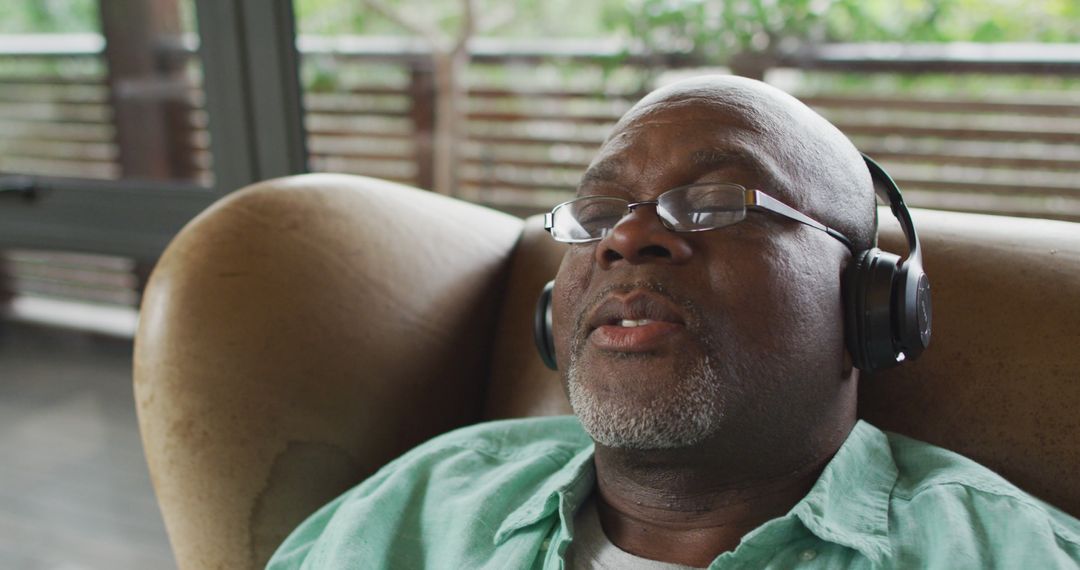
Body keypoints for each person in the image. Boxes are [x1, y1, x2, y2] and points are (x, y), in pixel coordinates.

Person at [266, 75, 1080, 569]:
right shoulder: (418, 502)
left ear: (869, 305)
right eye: (598, 211)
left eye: (719, 202)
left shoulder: (1011, 554)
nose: (627, 235)